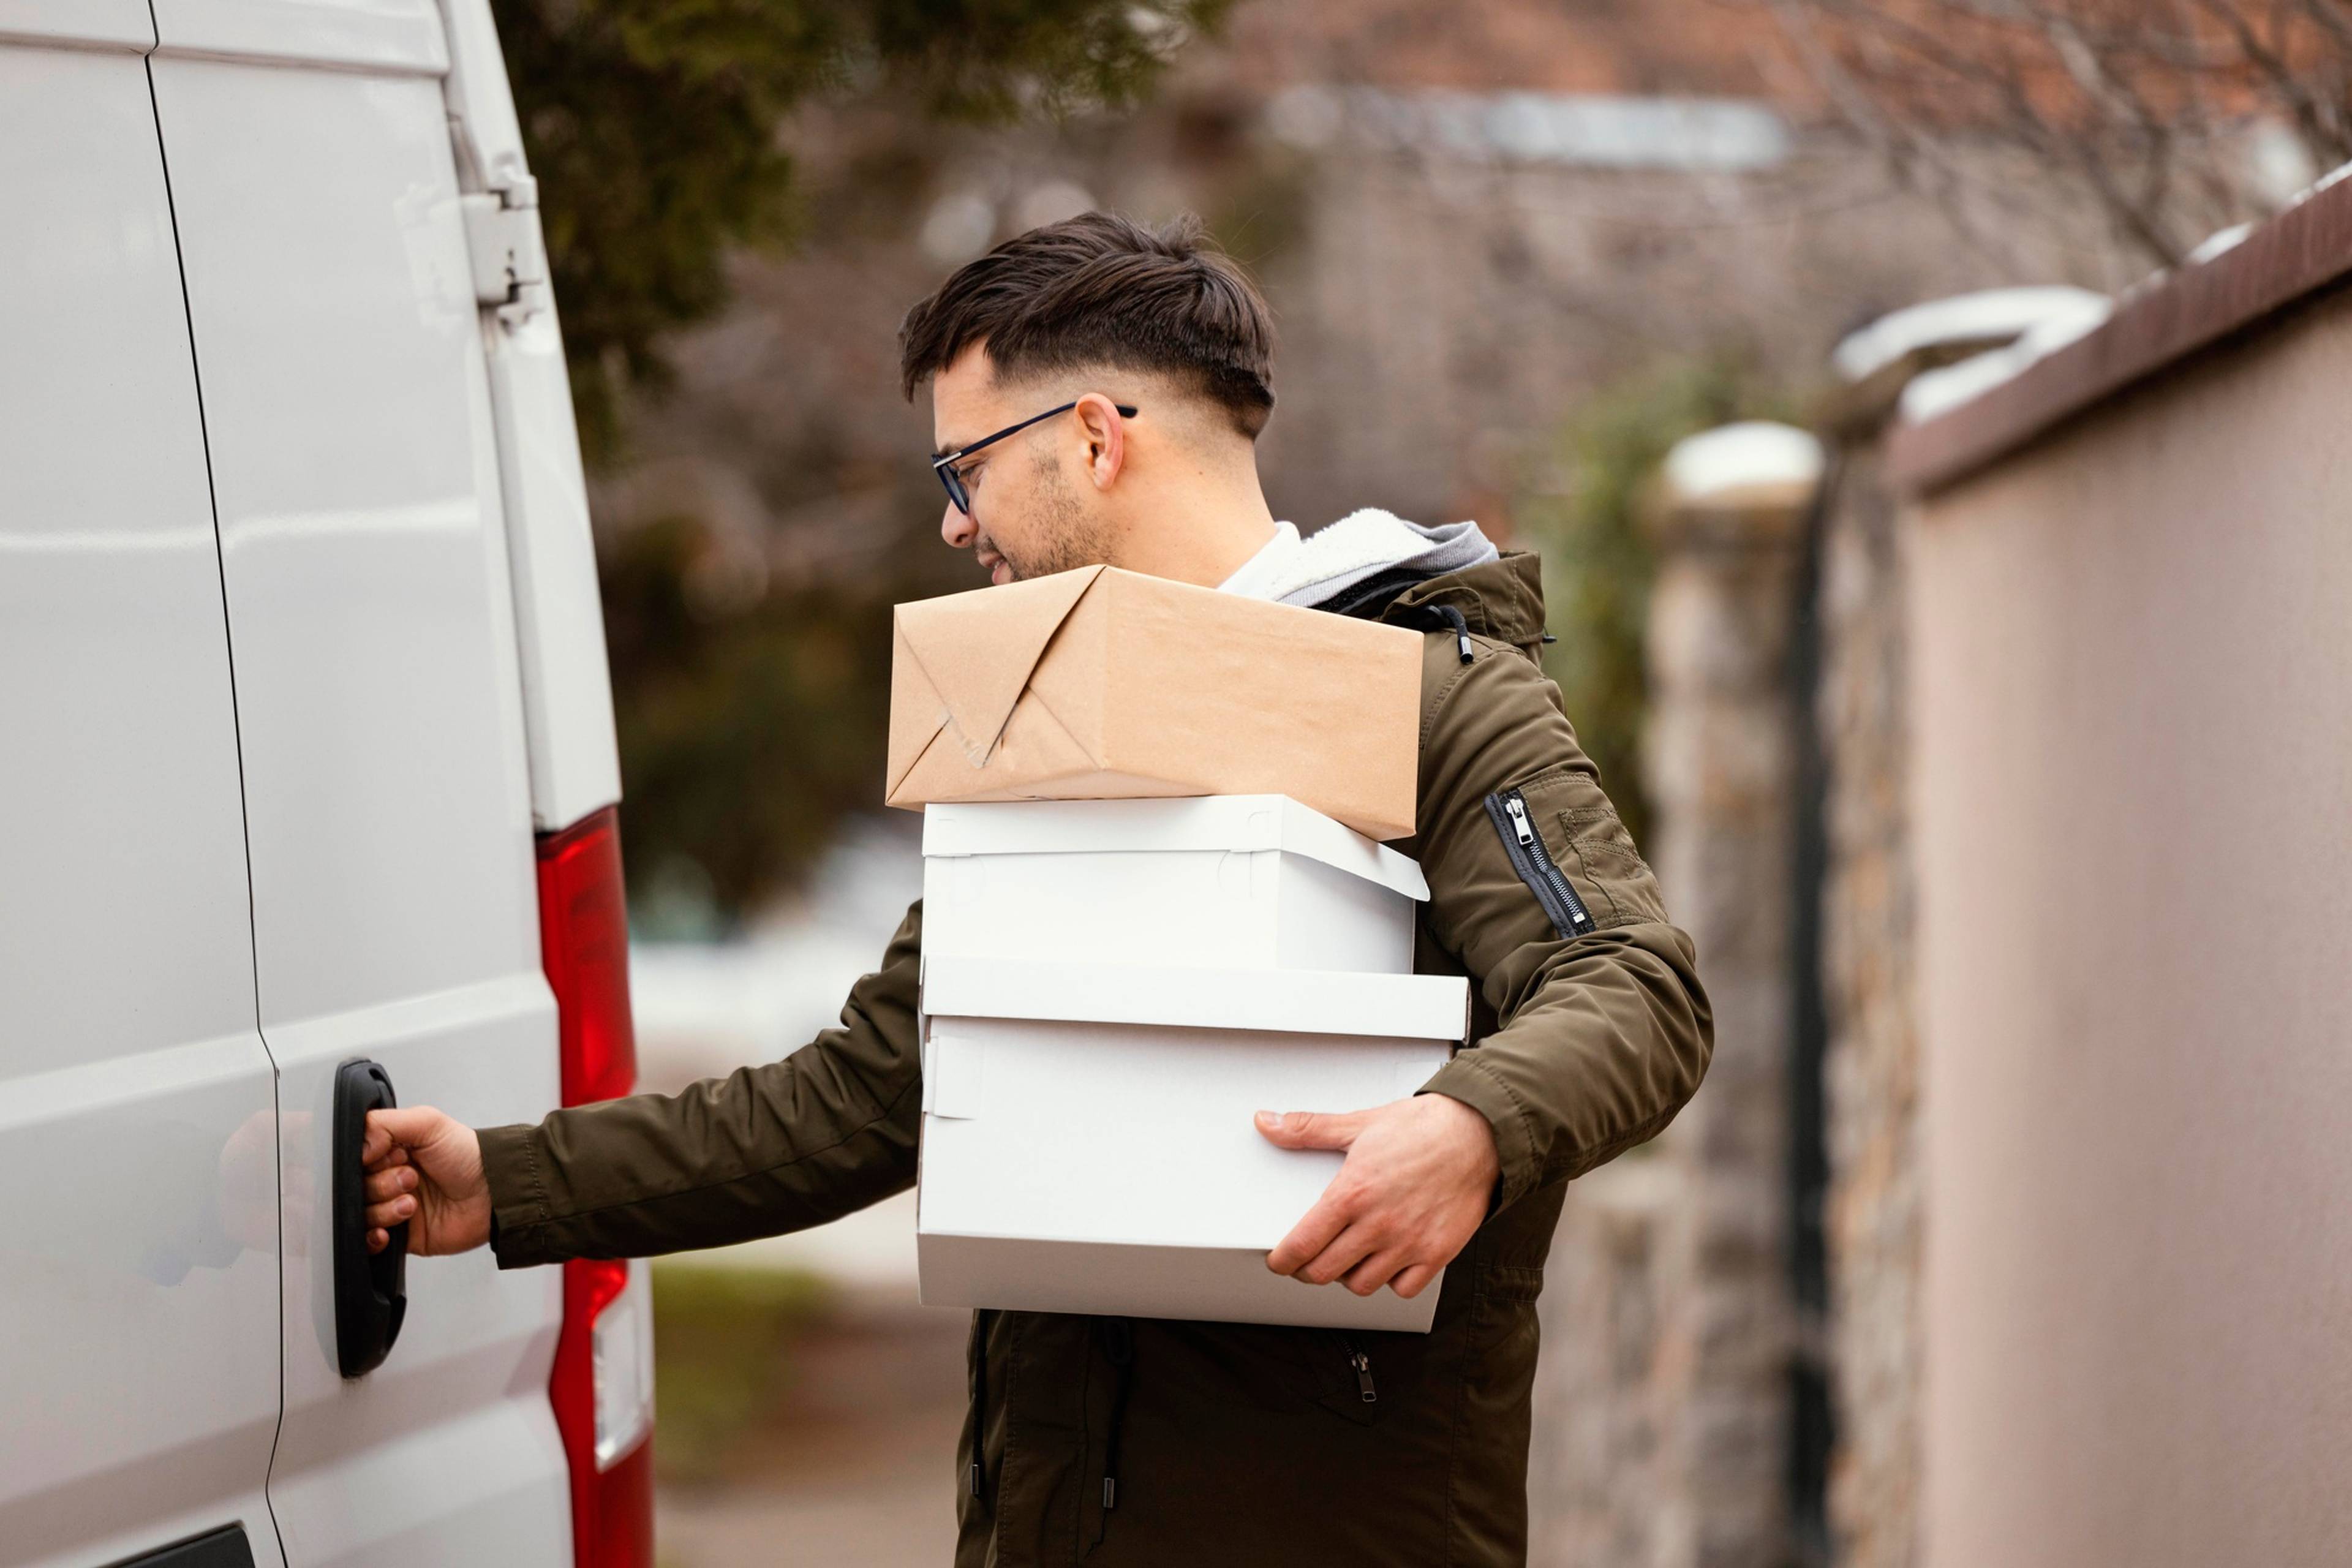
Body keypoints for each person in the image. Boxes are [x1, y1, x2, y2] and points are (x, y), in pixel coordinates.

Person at [361, 211, 1713, 1567]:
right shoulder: (1034, 717)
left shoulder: (1430, 689)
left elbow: (1639, 985)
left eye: (964, 467)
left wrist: (1470, 1127)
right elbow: (868, 1090)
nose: (954, 522)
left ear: (1092, 436)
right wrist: (513, 1182)